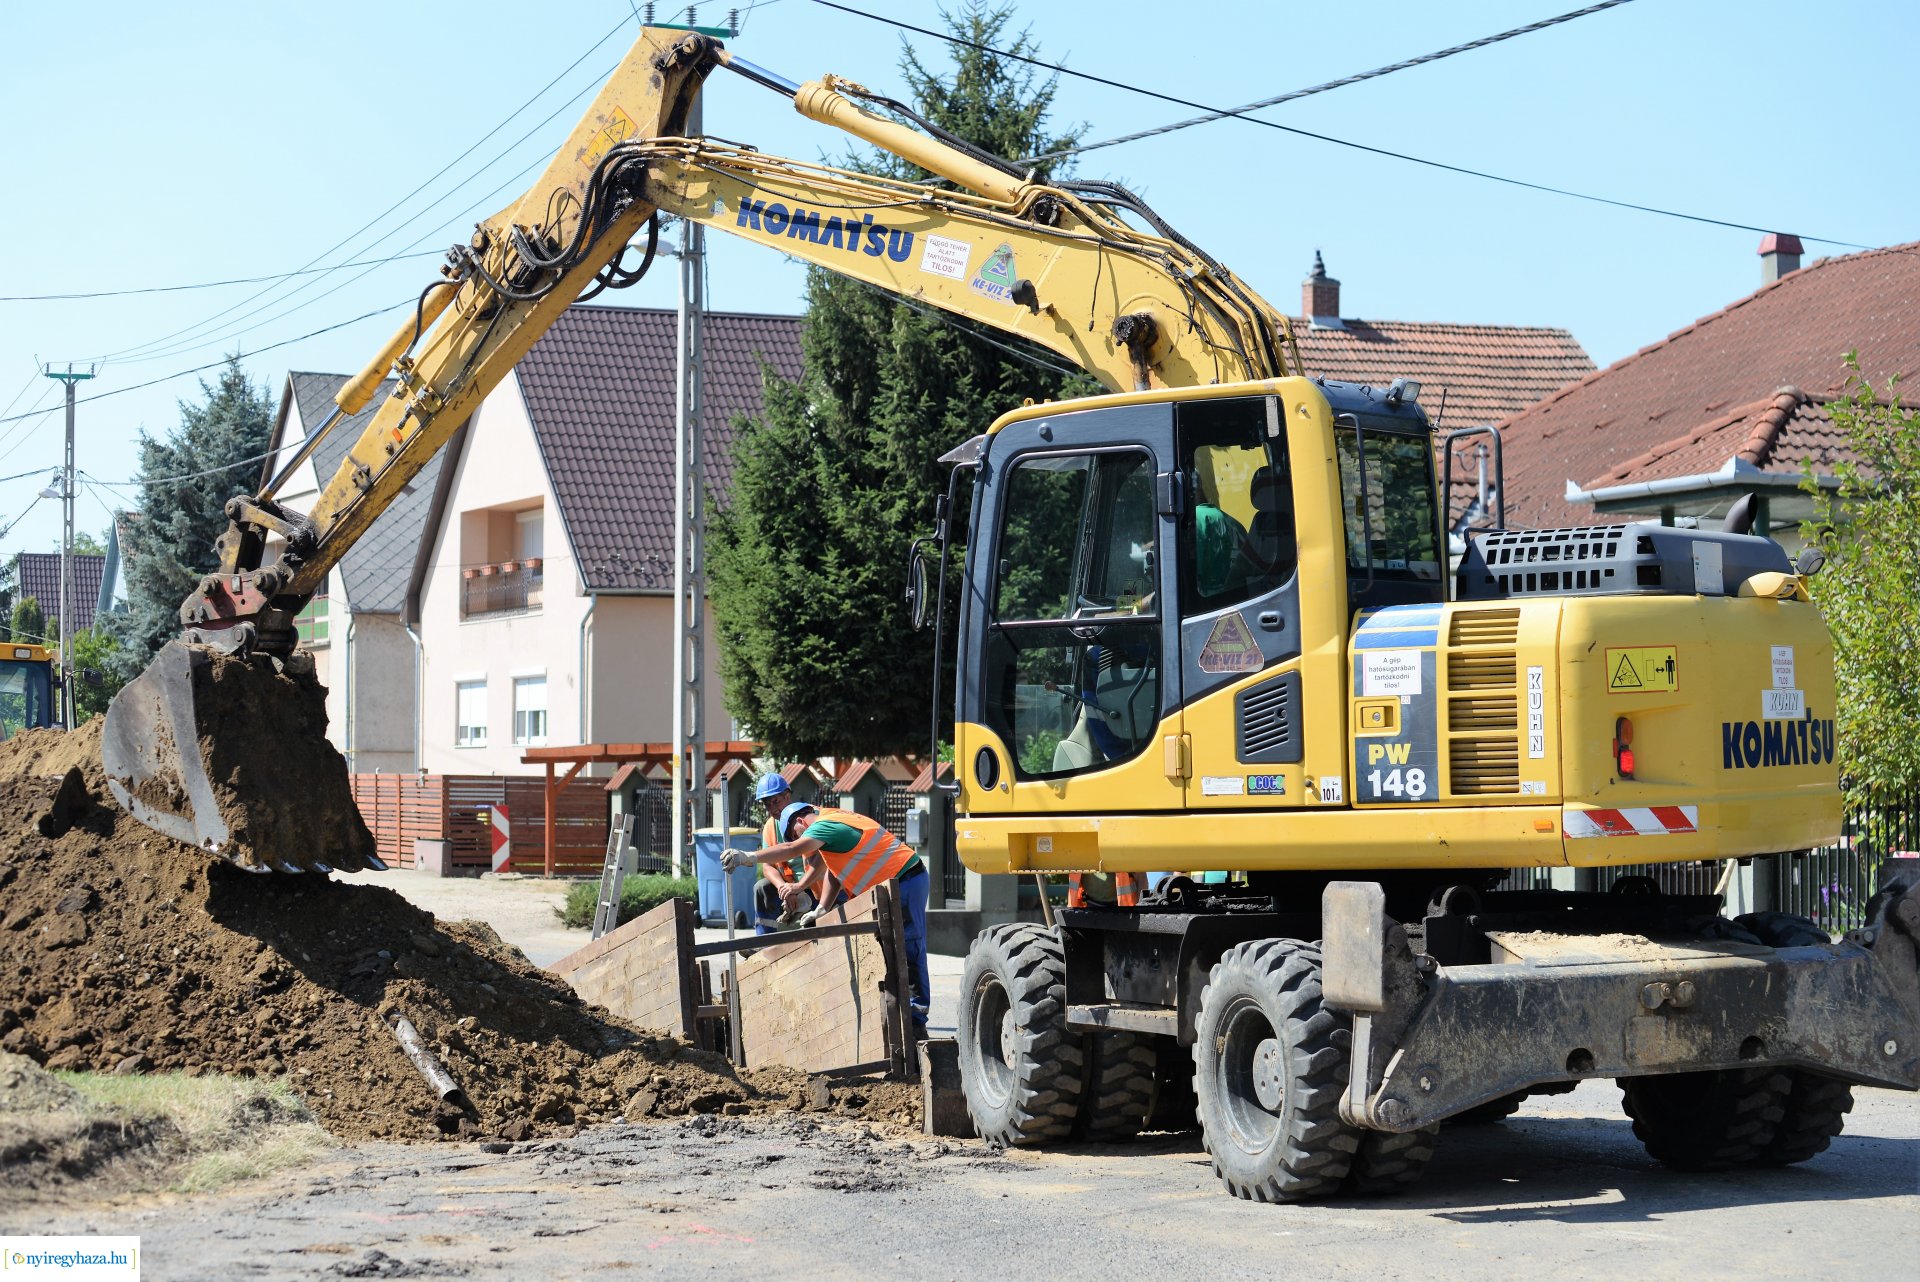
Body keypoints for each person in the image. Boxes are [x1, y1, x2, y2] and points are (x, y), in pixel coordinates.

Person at [724, 801, 930, 1033]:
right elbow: (835, 870)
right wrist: (821, 908)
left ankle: (916, 1018)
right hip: (899, 881)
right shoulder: (831, 820)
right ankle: (902, 1014)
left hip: (906, 879)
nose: (799, 840)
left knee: (910, 946)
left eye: (794, 833)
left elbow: (792, 849)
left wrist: (747, 857)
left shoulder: (823, 826)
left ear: (801, 822)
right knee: (889, 949)